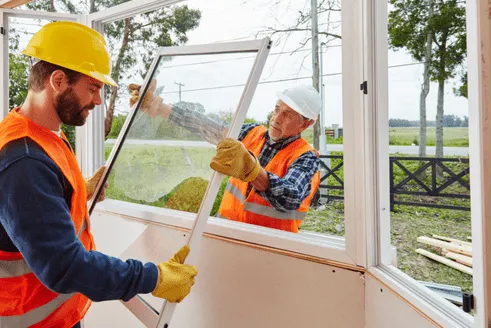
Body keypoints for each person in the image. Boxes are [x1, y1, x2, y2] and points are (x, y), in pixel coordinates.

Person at [0, 22, 197, 328]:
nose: (97, 100)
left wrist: (78, 190)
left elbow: (35, 211)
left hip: (56, 314)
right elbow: (64, 267)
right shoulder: (24, 160)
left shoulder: (41, 134)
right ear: (59, 80)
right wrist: (153, 277)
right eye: (92, 88)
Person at [129, 79, 321, 233]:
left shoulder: (306, 158)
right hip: (226, 235)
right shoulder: (251, 134)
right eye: (277, 109)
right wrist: (158, 107)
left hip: (269, 249)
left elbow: (290, 196)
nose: (276, 118)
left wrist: (252, 171)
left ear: (305, 124)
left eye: (287, 115)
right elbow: (207, 126)